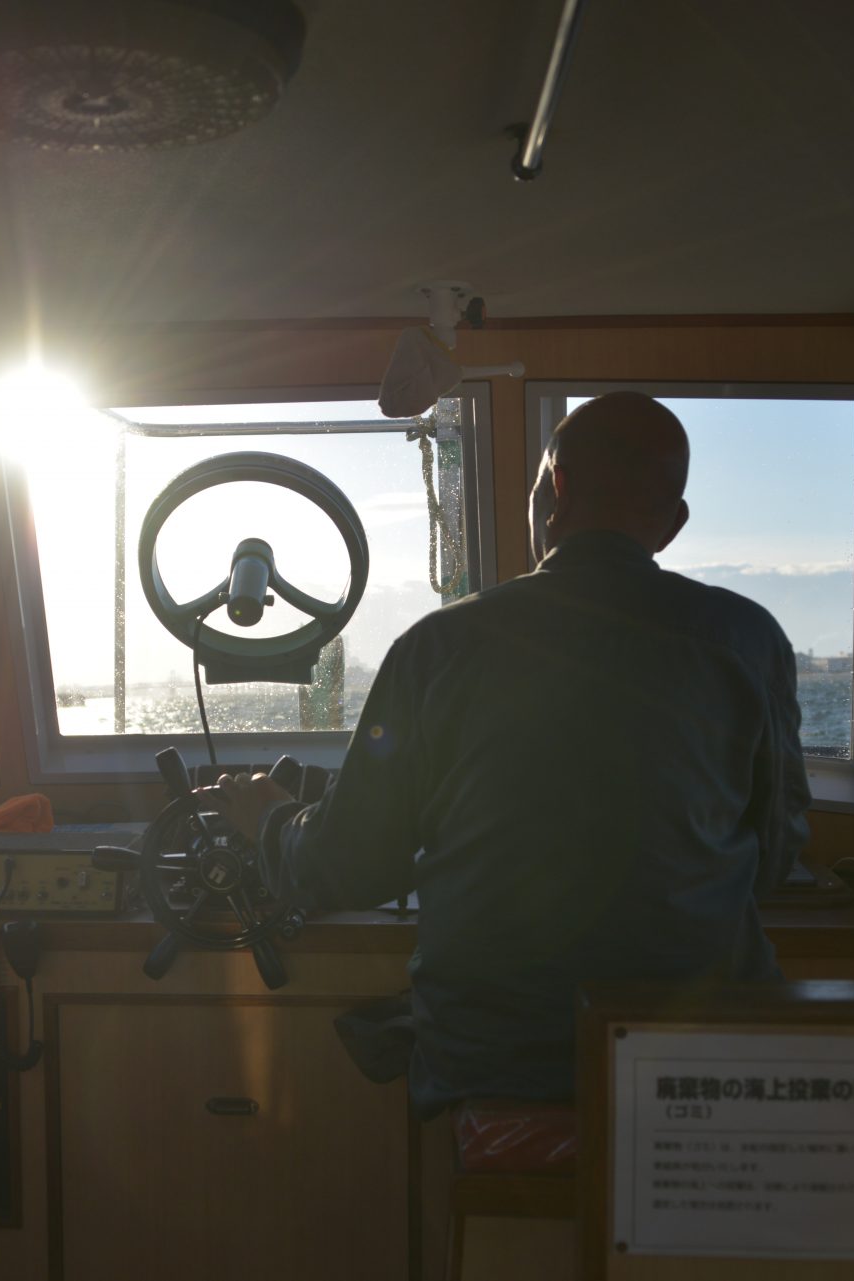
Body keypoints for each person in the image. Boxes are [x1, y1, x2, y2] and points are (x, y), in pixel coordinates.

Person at [214, 391, 810, 1116]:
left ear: (554, 486)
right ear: (673, 523)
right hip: (704, 1072)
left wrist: (271, 822)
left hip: (501, 1071)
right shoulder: (749, 641)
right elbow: (774, 856)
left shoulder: (436, 648)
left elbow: (353, 865)